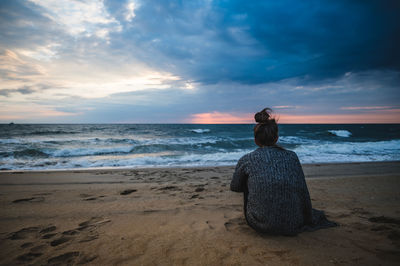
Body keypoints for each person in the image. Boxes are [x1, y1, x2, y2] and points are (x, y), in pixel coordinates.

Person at [230, 108, 337, 236]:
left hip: (260, 224)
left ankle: (263, 213)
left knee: (249, 182)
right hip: (294, 222)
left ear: (255, 140)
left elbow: (235, 187)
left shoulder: (247, 159)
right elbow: (302, 190)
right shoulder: (292, 156)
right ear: (276, 138)